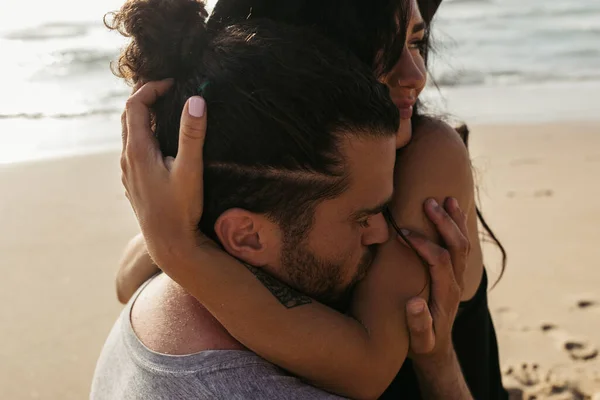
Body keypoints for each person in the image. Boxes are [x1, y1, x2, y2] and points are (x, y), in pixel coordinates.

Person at [114, 0, 508, 399]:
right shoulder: (281, 158)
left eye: (417, 43)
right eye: (384, 51)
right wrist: (169, 223)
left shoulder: (430, 153)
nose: (416, 75)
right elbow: (128, 280)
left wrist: (182, 249)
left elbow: (369, 369)